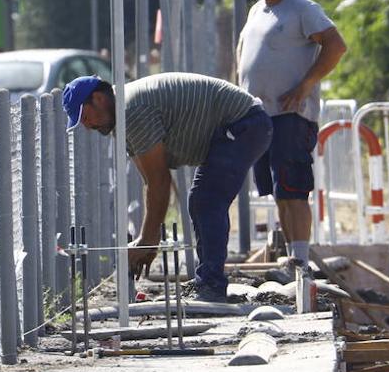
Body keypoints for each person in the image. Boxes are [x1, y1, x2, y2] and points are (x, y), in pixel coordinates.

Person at [62, 71, 271, 303]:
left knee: (207, 200)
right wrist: (150, 240)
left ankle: (211, 285)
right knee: (202, 200)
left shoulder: (131, 111)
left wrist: (147, 240)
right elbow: (152, 182)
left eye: (84, 115)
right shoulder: (121, 121)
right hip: (242, 123)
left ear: (98, 98)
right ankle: (208, 282)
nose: (86, 125)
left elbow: (160, 182)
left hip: (245, 122)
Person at [236, 0, 347, 267]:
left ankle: (300, 261)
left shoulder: (302, 8)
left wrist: (305, 86)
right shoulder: (257, 10)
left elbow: (336, 46)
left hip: (290, 115)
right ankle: (291, 259)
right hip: (260, 115)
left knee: (294, 189)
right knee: (277, 192)